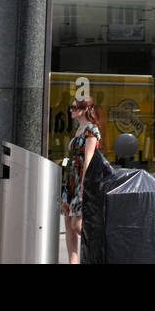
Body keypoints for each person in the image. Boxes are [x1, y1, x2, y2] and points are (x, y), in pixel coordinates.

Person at [60, 98, 101, 265]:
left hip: (82, 180)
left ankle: (98, 246)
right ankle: (73, 261)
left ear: (84, 109)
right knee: (68, 223)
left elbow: (89, 158)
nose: (71, 110)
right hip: (71, 179)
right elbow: (70, 156)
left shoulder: (91, 130)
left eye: (74, 107)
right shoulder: (78, 129)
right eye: (71, 107)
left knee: (77, 224)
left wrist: (85, 184)